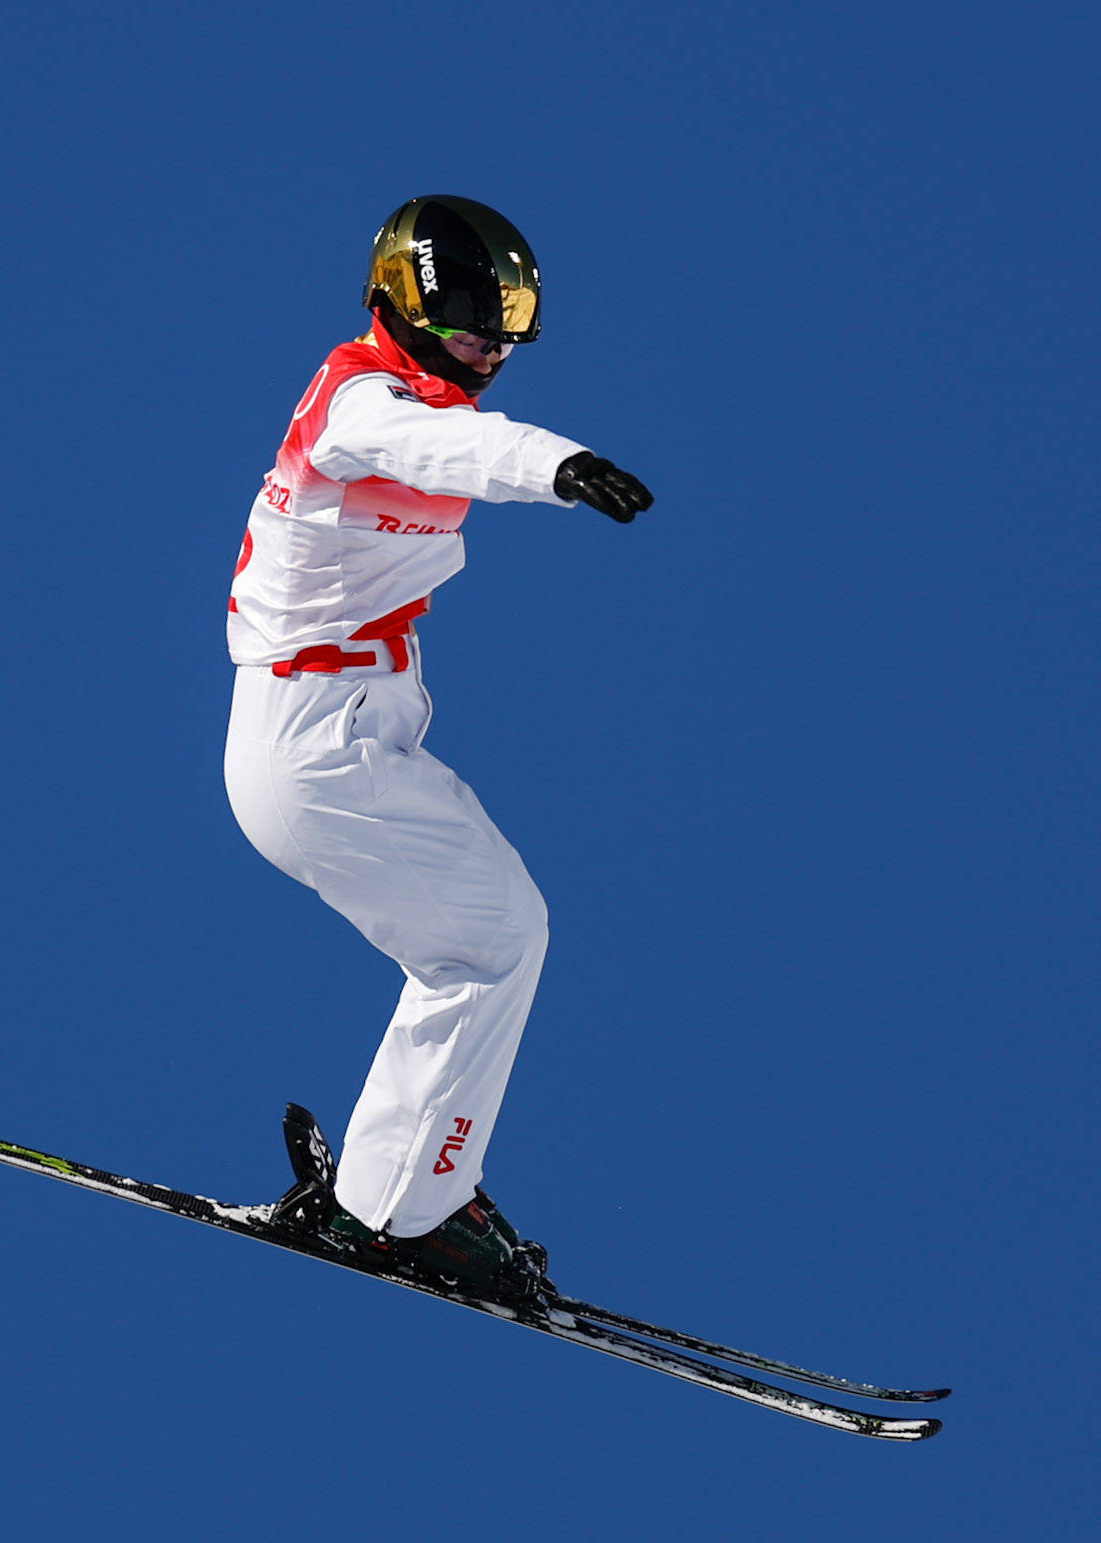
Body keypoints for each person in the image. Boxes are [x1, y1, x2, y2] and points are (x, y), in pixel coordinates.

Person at [223, 194, 651, 1292]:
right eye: (473, 321)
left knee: (490, 942)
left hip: (345, 737)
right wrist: (557, 465)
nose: (493, 348)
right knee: (498, 939)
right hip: (316, 744)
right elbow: (440, 444)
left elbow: (444, 432)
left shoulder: (399, 392)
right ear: (408, 299)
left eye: (509, 328)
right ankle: (402, 1211)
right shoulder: (360, 399)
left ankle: (390, 1195)